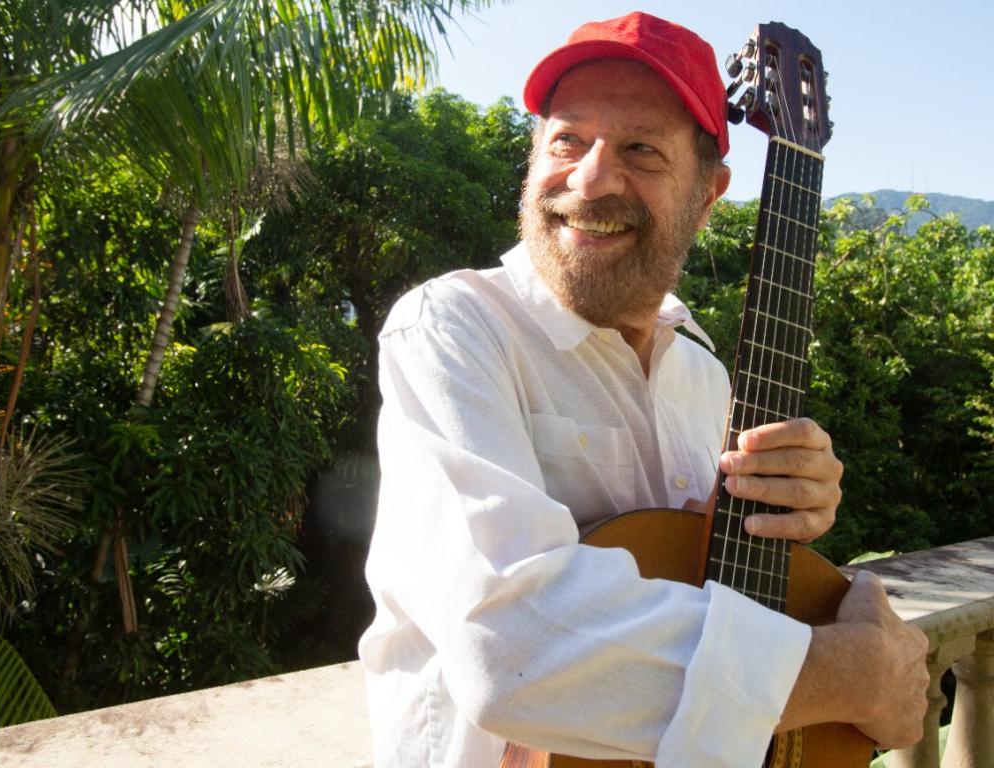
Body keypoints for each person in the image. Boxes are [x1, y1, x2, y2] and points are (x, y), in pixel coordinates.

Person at [359, 11, 929, 768]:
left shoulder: (704, 372)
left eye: (640, 150)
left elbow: (709, 591)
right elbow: (511, 648)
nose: (591, 179)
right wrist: (845, 676)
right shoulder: (453, 329)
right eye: (567, 139)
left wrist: (793, 518)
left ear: (708, 194)